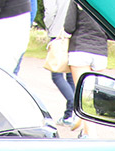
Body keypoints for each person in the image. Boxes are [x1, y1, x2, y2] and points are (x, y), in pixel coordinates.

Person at [65, 1, 109, 137]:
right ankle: (84, 130)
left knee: (83, 95)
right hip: (100, 52)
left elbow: (69, 26)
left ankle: (91, 134)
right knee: (93, 95)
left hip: (80, 49)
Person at [44, 0, 76, 126]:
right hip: (72, 32)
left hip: (58, 33)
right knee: (70, 75)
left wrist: (50, 27)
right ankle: (70, 114)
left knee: (56, 75)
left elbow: (50, 12)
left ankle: (72, 103)